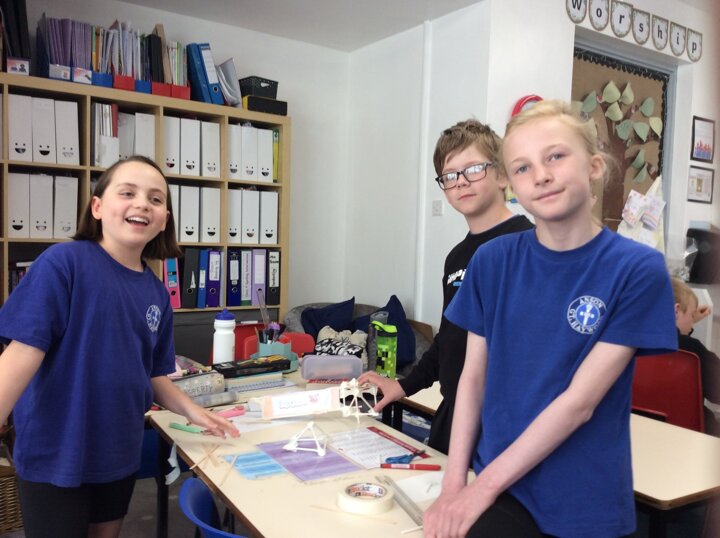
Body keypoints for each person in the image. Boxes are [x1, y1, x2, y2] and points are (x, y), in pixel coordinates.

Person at [423, 100, 677, 538]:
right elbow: (473, 378)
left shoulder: (636, 269)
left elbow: (579, 403)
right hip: (503, 489)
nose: (540, 175)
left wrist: (479, 488)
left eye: (555, 156)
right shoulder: (491, 260)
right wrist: (453, 485)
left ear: (594, 165)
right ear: (510, 183)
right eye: (522, 167)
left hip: (581, 498)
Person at [0, 156, 239, 538]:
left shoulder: (156, 292)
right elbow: (20, 355)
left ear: (164, 219)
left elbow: (153, 374)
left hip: (118, 452)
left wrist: (196, 412)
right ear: (97, 207)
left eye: (156, 199)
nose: (142, 203)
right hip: (56, 452)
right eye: (127, 193)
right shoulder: (64, 263)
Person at [358, 119, 533, 453]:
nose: (461, 182)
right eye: (450, 175)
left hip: (506, 423)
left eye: (474, 169)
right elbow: (449, 337)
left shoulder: (529, 245)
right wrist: (404, 385)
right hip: (454, 413)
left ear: (501, 174)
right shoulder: (457, 257)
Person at [671, 277, 720, 436]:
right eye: (692, 315)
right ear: (676, 311)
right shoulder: (692, 350)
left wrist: (687, 322)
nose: (692, 322)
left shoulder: (632, 344)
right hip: (693, 435)